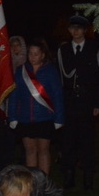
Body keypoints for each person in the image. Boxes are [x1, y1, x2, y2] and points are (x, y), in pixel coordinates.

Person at [56, 15, 99, 189]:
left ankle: (88, 177)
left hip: (87, 101)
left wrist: (97, 104)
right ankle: (68, 176)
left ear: (85, 30)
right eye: (72, 28)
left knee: (87, 141)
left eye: (79, 28)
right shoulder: (63, 50)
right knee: (68, 140)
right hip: (69, 101)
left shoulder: (94, 49)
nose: (75, 31)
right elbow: (60, 78)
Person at [7, 40, 65, 175]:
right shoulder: (21, 71)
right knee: (30, 150)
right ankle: (32, 181)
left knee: (43, 150)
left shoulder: (50, 71)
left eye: (36, 54)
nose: (33, 57)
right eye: (30, 54)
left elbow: (57, 95)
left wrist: (59, 118)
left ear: (43, 55)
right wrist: (12, 116)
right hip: (25, 118)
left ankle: (43, 181)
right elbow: (14, 95)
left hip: (45, 117)